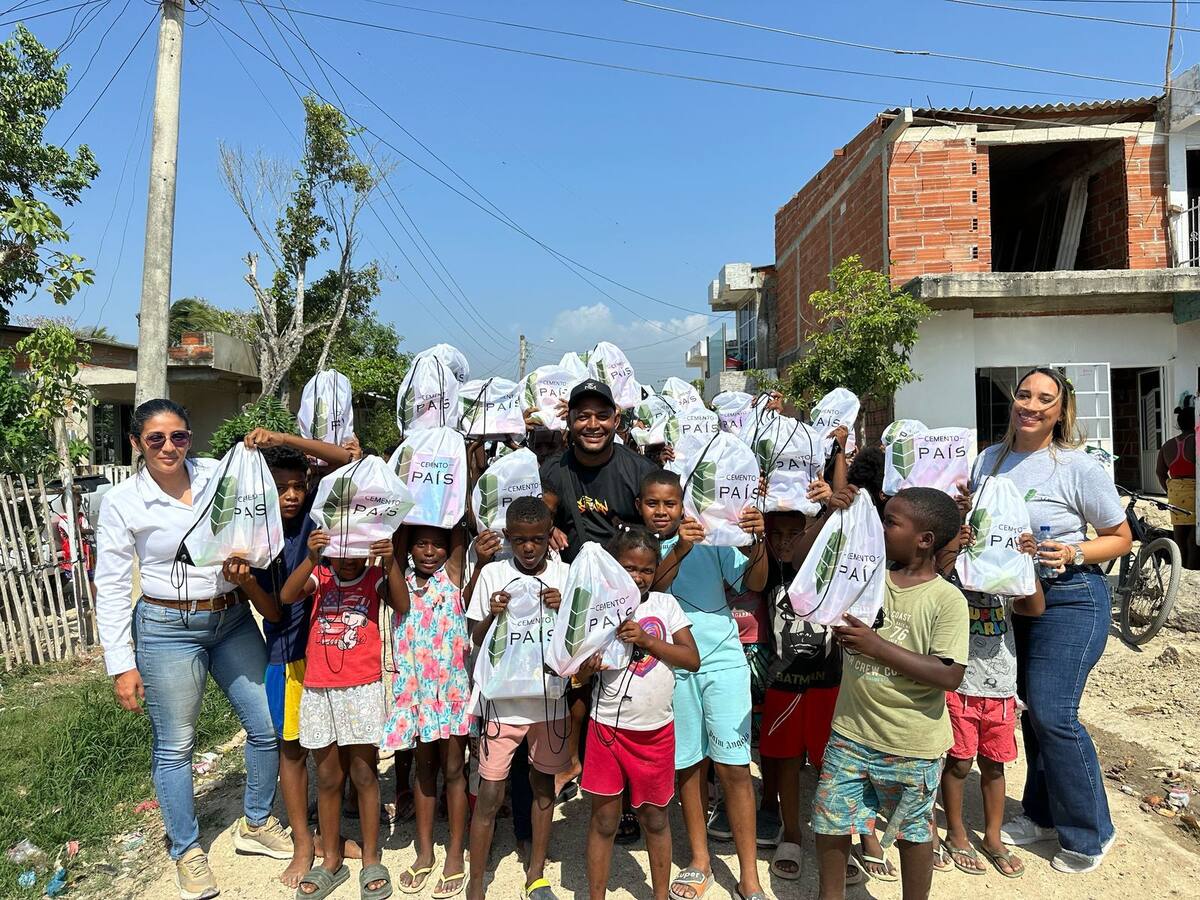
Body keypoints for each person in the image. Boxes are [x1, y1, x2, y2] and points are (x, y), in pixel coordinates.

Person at [94, 399, 292, 900]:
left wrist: (260, 448)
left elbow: (263, 508)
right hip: (166, 626)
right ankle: (186, 848)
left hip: (231, 616)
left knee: (266, 723)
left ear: (190, 439)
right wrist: (122, 664)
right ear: (137, 443)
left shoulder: (218, 475)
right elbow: (113, 585)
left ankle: (256, 821)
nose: (169, 447)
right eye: (156, 439)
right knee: (176, 744)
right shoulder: (123, 501)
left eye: (179, 436)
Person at [970, 367, 1132, 874]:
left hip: (1071, 598)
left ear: (1061, 412)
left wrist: (1075, 551)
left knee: (1053, 711)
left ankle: (1090, 831)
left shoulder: (1075, 466)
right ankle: (1040, 814)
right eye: (1024, 394)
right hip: (1011, 603)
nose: (1032, 405)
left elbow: (1120, 536)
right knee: (1032, 711)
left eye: (1046, 399)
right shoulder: (989, 461)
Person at [811, 487, 969, 900]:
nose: (880, 528)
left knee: (914, 833)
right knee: (831, 824)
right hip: (850, 734)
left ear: (925, 539)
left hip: (911, 745)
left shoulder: (945, 599)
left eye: (891, 522)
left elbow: (949, 674)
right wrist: (834, 517)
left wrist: (876, 646)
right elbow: (808, 568)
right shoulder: (866, 577)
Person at [637, 470, 770, 900]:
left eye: (670, 503)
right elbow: (654, 587)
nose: (662, 512)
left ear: (684, 504)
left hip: (723, 660)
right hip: (670, 666)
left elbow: (755, 582)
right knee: (688, 764)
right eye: (652, 504)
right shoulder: (638, 548)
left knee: (733, 766)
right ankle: (700, 859)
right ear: (639, 506)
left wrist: (755, 541)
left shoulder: (711, 536)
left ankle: (749, 875)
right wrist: (681, 547)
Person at [235, 435, 360, 889]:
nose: (290, 495)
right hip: (287, 656)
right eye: (280, 487)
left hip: (336, 652)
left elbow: (346, 459)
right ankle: (304, 844)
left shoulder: (317, 517)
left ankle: (331, 839)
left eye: (297, 485)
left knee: (334, 750)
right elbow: (273, 610)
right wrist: (248, 582)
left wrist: (283, 439)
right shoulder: (255, 537)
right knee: (293, 749)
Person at [579, 528, 700, 900]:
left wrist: (648, 640)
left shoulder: (664, 606)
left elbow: (691, 660)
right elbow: (577, 671)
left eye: (647, 570)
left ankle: (660, 894)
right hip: (607, 731)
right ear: (614, 567)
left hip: (654, 733)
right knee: (603, 820)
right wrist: (588, 667)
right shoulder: (597, 607)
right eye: (629, 567)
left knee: (655, 818)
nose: (638, 576)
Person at [281, 529, 402, 900]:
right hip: (320, 691)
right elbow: (287, 596)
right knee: (329, 776)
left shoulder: (373, 578)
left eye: (357, 549)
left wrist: (390, 560)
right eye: (341, 550)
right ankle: (331, 858)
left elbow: (403, 604)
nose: (349, 558)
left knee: (365, 774)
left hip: (361, 689)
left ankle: (369, 857)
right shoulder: (321, 576)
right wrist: (312, 558)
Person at [465, 497, 568, 900]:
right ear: (508, 537)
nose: (529, 548)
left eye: (537, 539)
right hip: (502, 704)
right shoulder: (493, 574)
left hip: (549, 702)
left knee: (544, 789)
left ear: (550, 537)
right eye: (520, 540)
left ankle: (536, 873)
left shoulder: (566, 574)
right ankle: (477, 881)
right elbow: (475, 638)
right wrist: (492, 614)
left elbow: (580, 640)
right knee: (490, 793)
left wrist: (565, 610)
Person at [935, 524, 1045, 878]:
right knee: (959, 763)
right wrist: (955, 545)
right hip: (961, 688)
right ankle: (956, 833)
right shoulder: (955, 580)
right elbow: (936, 573)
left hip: (999, 693)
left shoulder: (1007, 579)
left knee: (995, 765)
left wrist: (1026, 561)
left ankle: (993, 836)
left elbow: (1035, 606)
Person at [380, 523, 471, 898]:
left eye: (437, 544)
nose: (430, 551)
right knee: (424, 772)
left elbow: (459, 526)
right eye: (421, 545)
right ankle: (424, 851)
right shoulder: (395, 582)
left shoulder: (452, 577)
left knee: (454, 770)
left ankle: (454, 854)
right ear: (408, 549)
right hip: (417, 697)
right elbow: (396, 546)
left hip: (451, 694)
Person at [1157, 396, 1199, 570]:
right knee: (1194, 538)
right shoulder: (1196, 442)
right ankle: (1192, 570)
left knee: (1180, 536)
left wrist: (1169, 491)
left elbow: (1160, 473)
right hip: (1195, 490)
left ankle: (1179, 572)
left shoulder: (1167, 445)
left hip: (1176, 492)